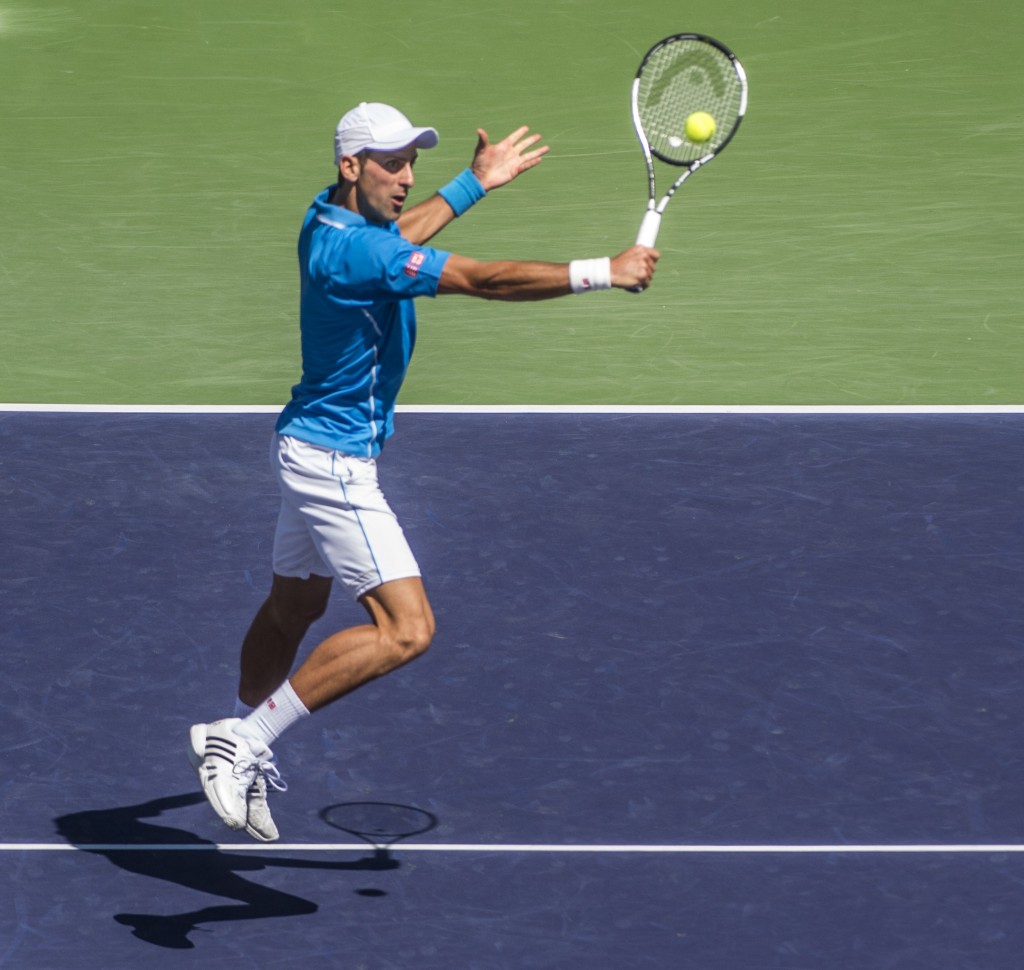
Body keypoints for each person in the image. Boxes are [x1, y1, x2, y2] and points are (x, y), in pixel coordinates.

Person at [189, 101, 659, 841]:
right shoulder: (361, 251)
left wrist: (473, 185)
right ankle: (240, 742)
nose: (407, 176)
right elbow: (489, 280)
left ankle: (247, 714)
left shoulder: (330, 223)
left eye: (413, 160)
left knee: (295, 611)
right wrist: (605, 271)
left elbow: (398, 240)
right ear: (352, 166)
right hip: (337, 466)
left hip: (302, 447)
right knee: (407, 631)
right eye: (391, 162)